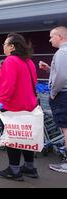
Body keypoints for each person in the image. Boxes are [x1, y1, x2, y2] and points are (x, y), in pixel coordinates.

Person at [0, 33, 39, 181]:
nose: (3, 47)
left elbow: (8, 84)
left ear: (12, 47)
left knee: (13, 137)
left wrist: (1, 102)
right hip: (30, 105)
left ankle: (13, 169)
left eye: (5, 44)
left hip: (14, 105)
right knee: (26, 137)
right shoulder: (29, 62)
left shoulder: (10, 61)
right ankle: (30, 166)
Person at [39, 26, 67, 173]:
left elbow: (62, 77)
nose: (50, 40)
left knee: (66, 129)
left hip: (62, 95)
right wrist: (50, 69)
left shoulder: (62, 52)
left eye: (52, 36)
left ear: (60, 37)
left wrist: (53, 92)